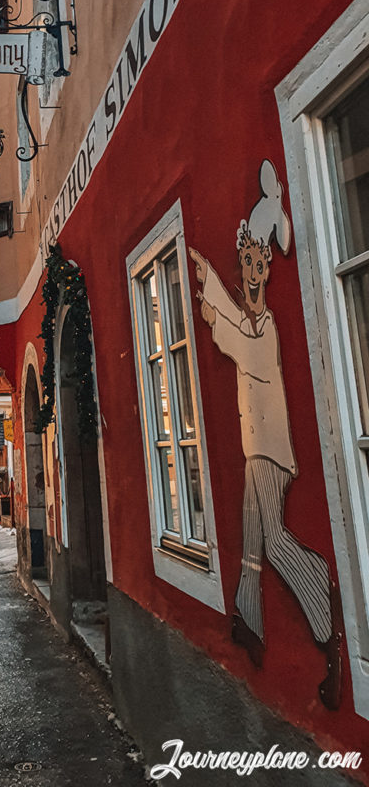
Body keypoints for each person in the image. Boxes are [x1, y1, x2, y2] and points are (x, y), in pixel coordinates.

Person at [190, 159, 340, 710]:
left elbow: (238, 341)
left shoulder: (265, 326)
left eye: (259, 261)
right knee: (252, 545)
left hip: (270, 448)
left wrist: (210, 290)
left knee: (272, 540)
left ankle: (322, 603)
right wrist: (213, 286)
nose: (253, 268)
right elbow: (228, 324)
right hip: (257, 445)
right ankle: (249, 625)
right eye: (247, 260)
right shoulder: (248, 320)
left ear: (266, 268)